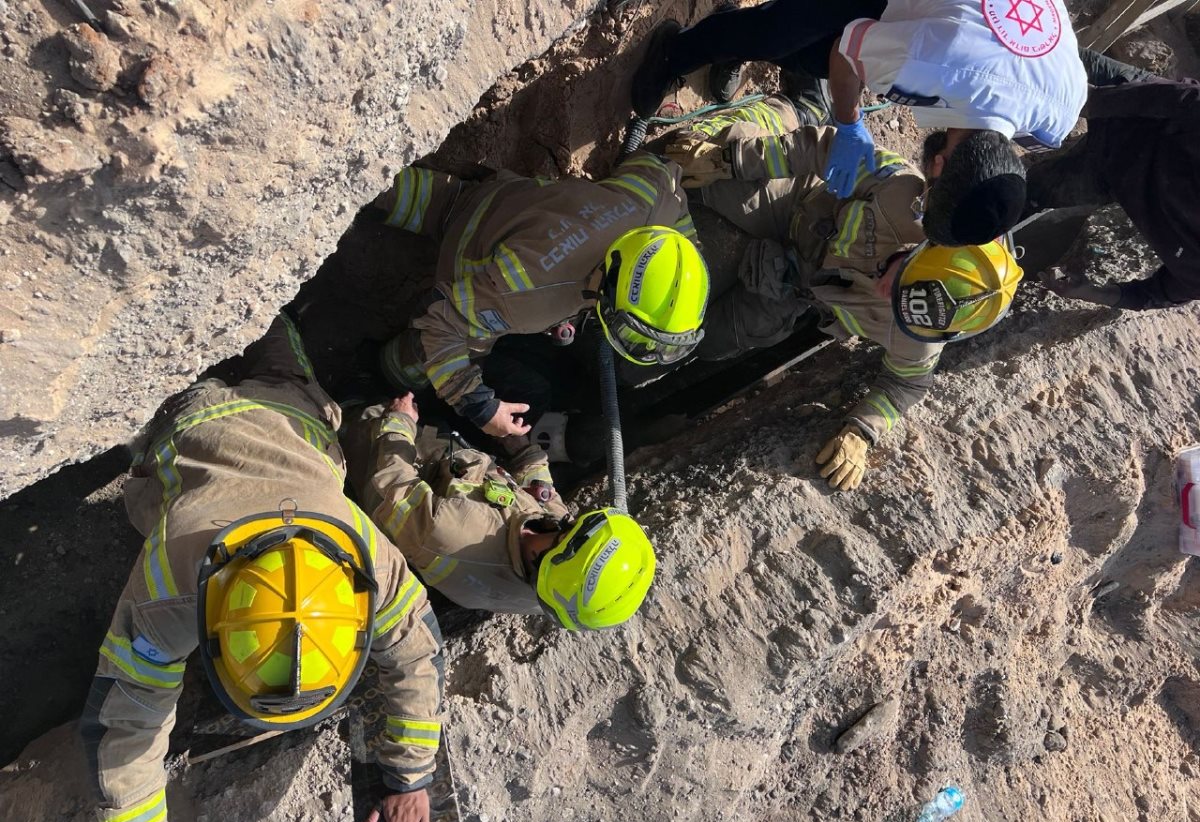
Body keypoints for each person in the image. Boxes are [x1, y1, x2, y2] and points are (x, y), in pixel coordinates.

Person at [79, 317, 444, 822]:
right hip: (194, 416)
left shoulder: (359, 553)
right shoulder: (169, 577)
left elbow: (416, 649)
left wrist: (411, 775)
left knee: (266, 346)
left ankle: (266, 312)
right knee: (209, 370)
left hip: (277, 415)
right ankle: (268, 315)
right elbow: (125, 730)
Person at [664, 92, 1023, 489]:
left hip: (793, 289)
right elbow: (826, 150)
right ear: (922, 248)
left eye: (901, 308)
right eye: (898, 280)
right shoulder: (900, 189)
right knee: (689, 159)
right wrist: (729, 161)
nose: (886, 294)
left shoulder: (923, 332)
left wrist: (862, 432)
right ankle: (789, 108)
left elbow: (906, 383)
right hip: (794, 206)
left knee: (698, 341)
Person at [631, 0, 1087, 243]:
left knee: (808, 56)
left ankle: (735, 35)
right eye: (926, 193)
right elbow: (848, 53)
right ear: (938, 167)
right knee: (786, 32)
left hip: (948, 18)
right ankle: (680, 50)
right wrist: (848, 125)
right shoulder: (935, 63)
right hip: (943, 30)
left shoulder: (1056, 119)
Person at [372, 154, 710, 442]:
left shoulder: (653, 204)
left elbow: (662, 169)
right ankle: (385, 373)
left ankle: (372, 184)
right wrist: (480, 406)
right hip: (469, 257)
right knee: (441, 345)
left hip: (506, 197)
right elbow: (441, 322)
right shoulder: (529, 300)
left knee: (400, 190)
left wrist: (688, 246)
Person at [344, 393, 656, 629]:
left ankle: (350, 414)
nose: (566, 521)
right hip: (455, 472)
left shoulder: (454, 532)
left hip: (399, 475)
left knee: (367, 417)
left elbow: (391, 483)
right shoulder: (557, 586)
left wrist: (400, 422)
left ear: (547, 558)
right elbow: (545, 501)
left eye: (566, 531)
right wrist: (522, 448)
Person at [1030, 52, 1200, 310]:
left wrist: (1090, 293)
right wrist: (1091, 102)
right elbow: (1187, 102)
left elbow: (1157, 294)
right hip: (1140, 105)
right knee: (1038, 57)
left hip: (1112, 172)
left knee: (1031, 192)